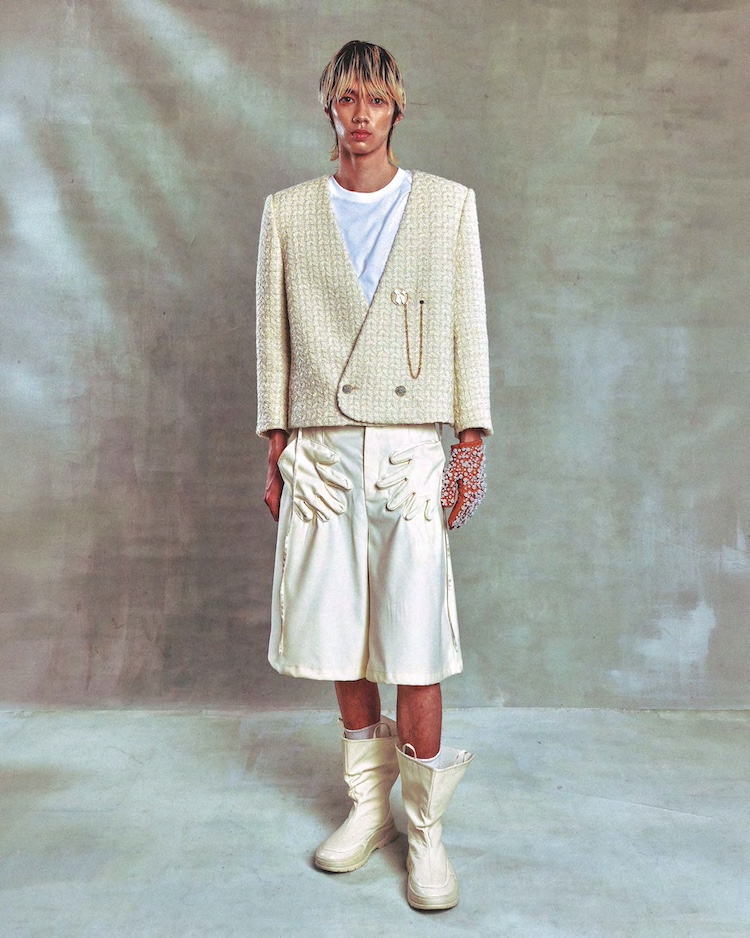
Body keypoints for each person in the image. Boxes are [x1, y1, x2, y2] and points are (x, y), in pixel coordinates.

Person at [255, 39, 492, 911]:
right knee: (340, 633)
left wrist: (471, 441)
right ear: (329, 106)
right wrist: (274, 446)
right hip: (320, 448)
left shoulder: (447, 206)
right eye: (347, 99)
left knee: (414, 639)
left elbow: (468, 324)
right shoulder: (288, 212)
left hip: (408, 449)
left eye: (376, 100)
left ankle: (426, 832)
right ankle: (369, 808)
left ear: (397, 109)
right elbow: (272, 336)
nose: (361, 115)